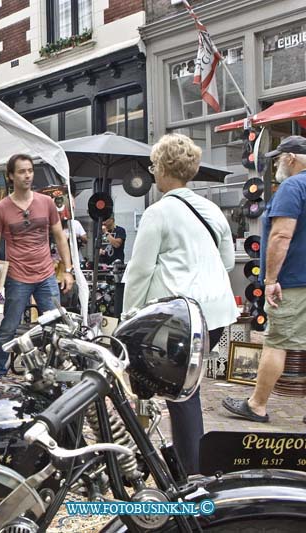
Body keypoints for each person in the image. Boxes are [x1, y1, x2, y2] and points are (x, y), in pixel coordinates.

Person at [123, 133, 237, 475]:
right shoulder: (211, 209)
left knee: (179, 393)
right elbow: (228, 260)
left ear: (161, 169)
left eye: (154, 166)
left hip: (182, 317)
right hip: (216, 315)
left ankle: (191, 471)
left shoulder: (158, 213)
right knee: (187, 387)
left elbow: (140, 271)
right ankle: (187, 461)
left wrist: (128, 318)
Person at [223, 135, 306, 425]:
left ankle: (256, 405)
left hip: (294, 282)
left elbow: (281, 235)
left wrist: (270, 280)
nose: (277, 163)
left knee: (276, 343)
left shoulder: (293, 186)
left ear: (291, 158)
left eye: (279, 157)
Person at [0, 154, 75, 376]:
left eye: (30, 171)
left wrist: (68, 270)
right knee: (9, 327)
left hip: (46, 275)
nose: (27, 175)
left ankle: (57, 369)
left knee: (56, 326)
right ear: (11, 176)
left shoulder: (46, 202)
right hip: (18, 277)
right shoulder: (1, 208)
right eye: (22, 171)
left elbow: (60, 237)